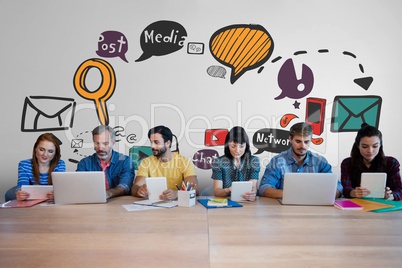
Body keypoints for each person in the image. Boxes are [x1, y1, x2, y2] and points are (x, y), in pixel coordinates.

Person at [259, 122, 343, 199]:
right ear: (290, 139)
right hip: (285, 208)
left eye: (306, 142)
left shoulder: (320, 162)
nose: (302, 146)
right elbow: (264, 188)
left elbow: (338, 187)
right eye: (298, 141)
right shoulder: (277, 161)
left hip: (314, 207)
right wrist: (289, 194)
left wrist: (327, 195)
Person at [131, 125, 198, 200]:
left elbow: (194, 188)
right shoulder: (146, 162)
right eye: (151, 142)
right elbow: (135, 187)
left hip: (178, 206)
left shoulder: (184, 162)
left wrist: (177, 194)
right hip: (153, 205)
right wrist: (139, 191)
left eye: (156, 142)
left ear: (168, 143)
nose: (152, 146)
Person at [341, 123, 402, 200]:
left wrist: (391, 195)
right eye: (364, 146)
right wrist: (353, 192)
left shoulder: (391, 163)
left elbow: (399, 190)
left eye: (375, 146)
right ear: (357, 145)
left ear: (380, 145)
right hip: (357, 206)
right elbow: (345, 189)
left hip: (384, 206)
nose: (370, 150)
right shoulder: (347, 163)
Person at [76, 125, 134, 200]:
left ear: (113, 143)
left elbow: (125, 186)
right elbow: (78, 186)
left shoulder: (126, 161)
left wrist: (108, 193)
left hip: (118, 203)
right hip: (91, 202)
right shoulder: (84, 163)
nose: (100, 148)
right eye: (97, 143)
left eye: (105, 144)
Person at [211, 126, 260, 201]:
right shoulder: (219, 162)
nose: (237, 150)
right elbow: (217, 191)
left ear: (246, 146)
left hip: (247, 202)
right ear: (228, 145)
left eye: (241, 146)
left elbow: (253, 186)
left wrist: (252, 193)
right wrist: (228, 190)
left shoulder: (253, 161)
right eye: (233, 146)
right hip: (226, 202)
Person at [16, 133, 66, 201]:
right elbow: (21, 187)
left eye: (50, 151)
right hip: (31, 204)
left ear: (55, 154)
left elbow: (60, 188)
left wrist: (57, 194)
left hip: (52, 205)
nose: (45, 154)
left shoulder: (60, 164)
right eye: (42, 149)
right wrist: (20, 194)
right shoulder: (24, 165)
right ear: (35, 149)